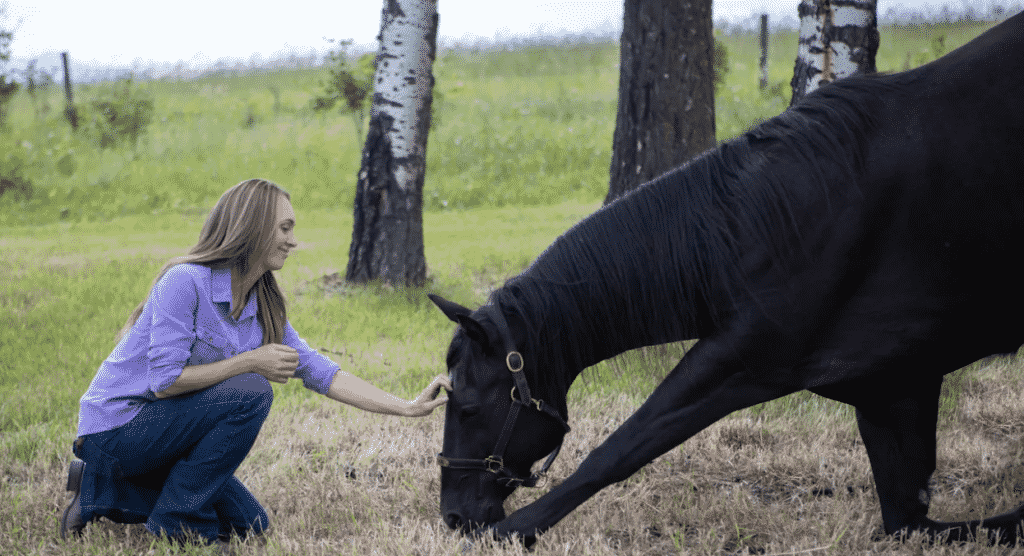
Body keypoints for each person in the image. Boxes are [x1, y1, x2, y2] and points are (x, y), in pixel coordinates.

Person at [60, 178, 451, 547]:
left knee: (250, 526)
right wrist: (249, 362)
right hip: (117, 429)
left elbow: (320, 371)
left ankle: (97, 490)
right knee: (252, 390)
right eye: (284, 228)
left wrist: (407, 407)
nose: (292, 241)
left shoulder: (261, 303)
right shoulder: (185, 281)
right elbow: (165, 382)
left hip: (165, 432)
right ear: (253, 226)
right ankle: (178, 523)